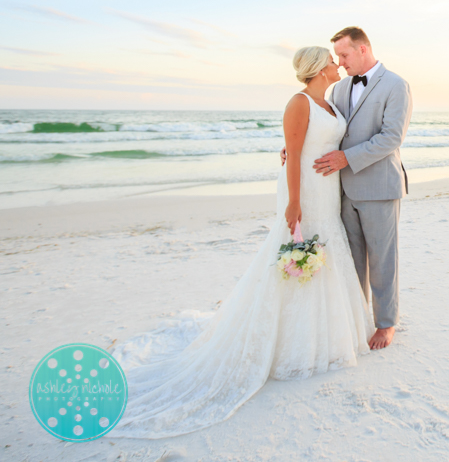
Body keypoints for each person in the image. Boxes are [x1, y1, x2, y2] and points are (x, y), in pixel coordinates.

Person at [110, 46, 374, 439]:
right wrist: (295, 202)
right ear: (319, 68)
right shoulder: (299, 102)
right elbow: (296, 153)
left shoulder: (331, 103)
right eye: (332, 60)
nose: (338, 64)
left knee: (327, 254)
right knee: (296, 258)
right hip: (305, 193)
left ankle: (329, 338)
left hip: (328, 192)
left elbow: (321, 145)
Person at [286, 27, 413, 350]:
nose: (340, 63)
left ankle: (386, 324)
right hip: (342, 190)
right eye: (337, 57)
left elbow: (391, 138)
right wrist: (296, 149)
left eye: (344, 55)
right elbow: (327, 128)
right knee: (352, 260)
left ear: (363, 49)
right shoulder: (339, 89)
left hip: (380, 186)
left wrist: (347, 158)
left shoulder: (396, 85)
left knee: (383, 261)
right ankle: (357, 317)